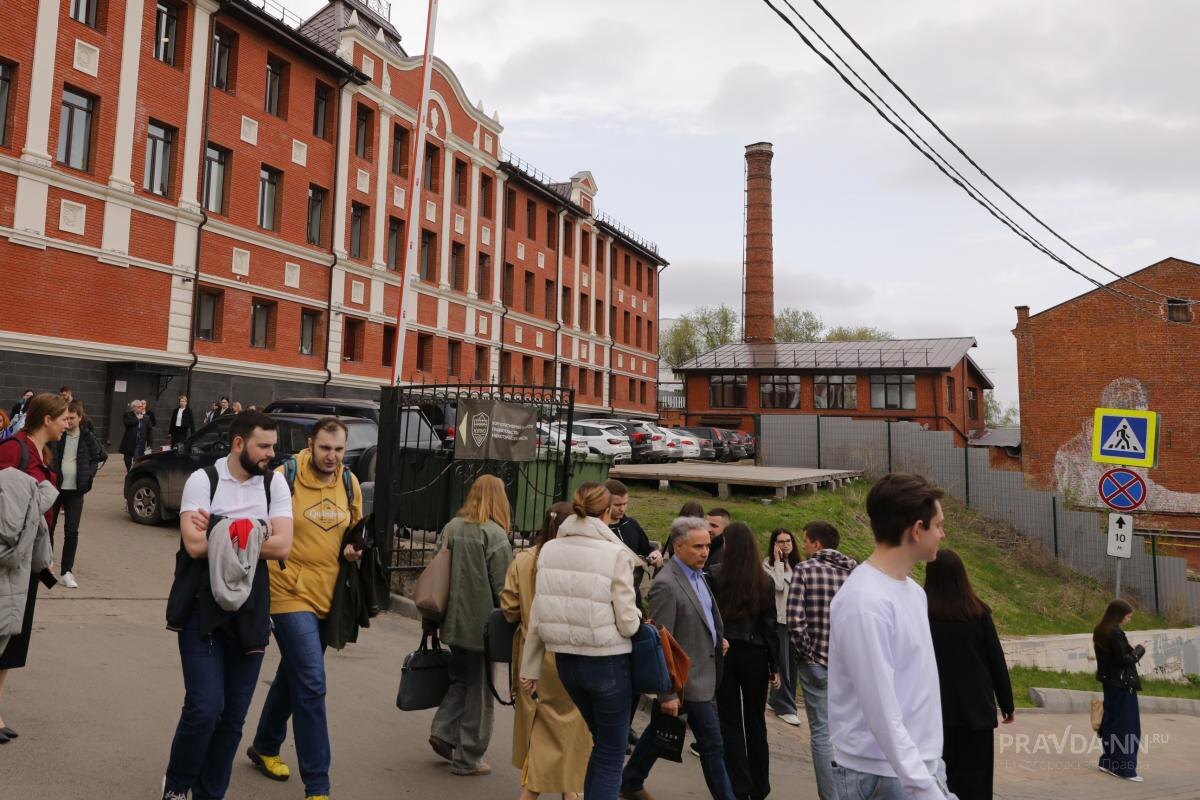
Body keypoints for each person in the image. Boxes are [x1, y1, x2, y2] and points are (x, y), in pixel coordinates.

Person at [160, 410, 294, 800]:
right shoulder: (204, 480)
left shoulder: (275, 486)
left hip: (251, 612)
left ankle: (209, 793)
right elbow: (194, 545)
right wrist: (256, 529)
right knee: (204, 709)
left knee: (232, 718)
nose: (272, 452)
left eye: (273, 445)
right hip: (201, 609)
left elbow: (284, 545)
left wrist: (220, 526)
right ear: (239, 444)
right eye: (264, 445)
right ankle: (178, 786)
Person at [245, 417, 363, 798]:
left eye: (339, 449)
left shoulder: (349, 482)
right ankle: (318, 785)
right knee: (312, 682)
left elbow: (355, 529)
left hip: (329, 594)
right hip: (287, 591)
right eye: (326, 447)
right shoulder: (284, 477)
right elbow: (260, 525)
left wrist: (353, 548)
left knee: (294, 673)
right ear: (311, 444)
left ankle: (264, 746)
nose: (332, 456)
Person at [828, 473, 954, 800]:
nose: (942, 533)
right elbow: (880, 710)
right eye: (938, 525)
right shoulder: (864, 601)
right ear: (916, 530)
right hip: (880, 777)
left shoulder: (913, 592)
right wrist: (924, 788)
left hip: (918, 768)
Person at [521, 483, 640, 800]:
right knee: (612, 752)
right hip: (607, 661)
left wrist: (530, 668)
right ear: (606, 512)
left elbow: (539, 613)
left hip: (565, 661)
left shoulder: (550, 549)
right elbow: (628, 621)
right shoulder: (615, 553)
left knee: (602, 744)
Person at [621, 516, 736, 800]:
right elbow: (660, 642)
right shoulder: (666, 585)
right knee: (712, 743)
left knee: (659, 730)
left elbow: (699, 616)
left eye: (707, 546)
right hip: (686, 681)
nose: (705, 552)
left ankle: (631, 780)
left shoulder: (699, 575)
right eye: (698, 547)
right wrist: (667, 692)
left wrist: (714, 637)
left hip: (702, 673)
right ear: (679, 546)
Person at [502, 501, 590, 800]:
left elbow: (509, 607)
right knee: (573, 724)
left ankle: (544, 788)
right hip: (569, 650)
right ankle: (571, 788)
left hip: (532, 652)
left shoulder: (525, 559)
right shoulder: (577, 563)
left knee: (537, 724)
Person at [429, 475, 514, 777]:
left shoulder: (451, 527)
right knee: (480, 691)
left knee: (460, 679)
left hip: (450, 621)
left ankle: (443, 731)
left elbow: (436, 572)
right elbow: (504, 586)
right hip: (483, 629)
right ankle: (468, 757)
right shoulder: (496, 535)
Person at [0, 393, 68, 745]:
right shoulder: (14, 449)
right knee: (1, 630)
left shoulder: (43, 454)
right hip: (7, 558)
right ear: (46, 419)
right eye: (64, 418)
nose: (68, 423)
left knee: (13, 635)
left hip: (28, 558)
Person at [924, 549, 1014, 800]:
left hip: (935, 711)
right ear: (962, 576)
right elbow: (996, 660)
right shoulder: (978, 613)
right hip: (976, 710)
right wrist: (1007, 703)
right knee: (977, 777)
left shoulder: (922, 612)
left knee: (938, 779)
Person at [787, 520, 857, 800]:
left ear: (817, 544)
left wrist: (809, 654)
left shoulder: (804, 570)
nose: (802, 546)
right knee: (848, 733)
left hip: (817, 662)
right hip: (849, 666)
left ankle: (830, 796)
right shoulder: (855, 573)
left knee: (821, 733)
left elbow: (794, 619)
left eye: (805, 541)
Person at [711, 522, 780, 800]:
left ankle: (739, 785)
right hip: (756, 654)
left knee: (730, 721)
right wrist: (775, 666)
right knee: (756, 721)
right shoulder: (765, 580)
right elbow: (770, 627)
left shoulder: (715, 576)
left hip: (727, 651)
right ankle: (760, 785)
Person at [48, 400, 107, 589]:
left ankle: (66, 572)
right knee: (48, 527)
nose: (69, 421)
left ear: (80, 418)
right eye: (66, 418)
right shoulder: (59, 436)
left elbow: (101, 457)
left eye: (72, 418)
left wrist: (88, 475)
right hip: (55, 489)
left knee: (71, 531)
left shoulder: (88, 437)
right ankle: (46, 567)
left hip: (76, 491)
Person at [1094, 599, 1146, 782]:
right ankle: (1124, 769)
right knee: (1128, 727)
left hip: (1111, 685)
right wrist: (1140, 649)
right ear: (1119, 615)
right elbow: (1124, 661)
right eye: (1128, 616)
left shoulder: (1101, 631)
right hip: (1122, 686)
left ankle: (1107, 762)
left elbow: (1114, 657)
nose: (1129, 619)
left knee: (1112, 723)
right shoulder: (1114, 633)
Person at [763, 526, 801, 726]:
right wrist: (778, 562)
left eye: (788, 541)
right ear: (774, 544)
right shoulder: (768, 564)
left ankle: (774, 699)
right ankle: (785, 707)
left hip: (797, 621)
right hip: (779, 620)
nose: (785, 545)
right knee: (783, 664)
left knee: (793, 664)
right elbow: (776, 586)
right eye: (781, 541)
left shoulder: (799, 565)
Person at [119, 399, 156, 470]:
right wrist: (137, 419)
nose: (141, 408)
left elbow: (150, 431)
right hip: (129, 442)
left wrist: (150, 443)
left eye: (142, 406)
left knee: (137, 460)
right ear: (134, 408)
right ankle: (129, 470)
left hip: (140, 442)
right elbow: (127, 423)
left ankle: (133, 472)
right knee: (127, 459)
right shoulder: (128, 414)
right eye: (139, 406)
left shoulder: (146, 417)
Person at [703, 508, 731, 572]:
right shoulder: (701, 547)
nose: (708, 529)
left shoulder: (723, 557)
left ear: (726, 529)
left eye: (714, 526)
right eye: (706, 524)